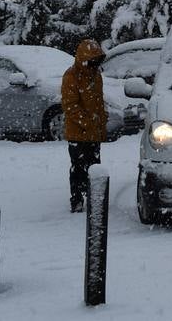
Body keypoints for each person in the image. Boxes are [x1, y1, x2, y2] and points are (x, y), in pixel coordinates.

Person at [60, 39, 108, 213]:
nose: (95, 65)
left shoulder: (96, 75)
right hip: (77, 133)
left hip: (93, 132)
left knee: (95, 166)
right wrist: (88, 123)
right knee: (78, 167)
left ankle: (95, 197)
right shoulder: (71, 76)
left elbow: (98, 102)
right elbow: (70, 105)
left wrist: (101, 120)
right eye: (92, 61)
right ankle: (77, 199)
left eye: (97, 61)